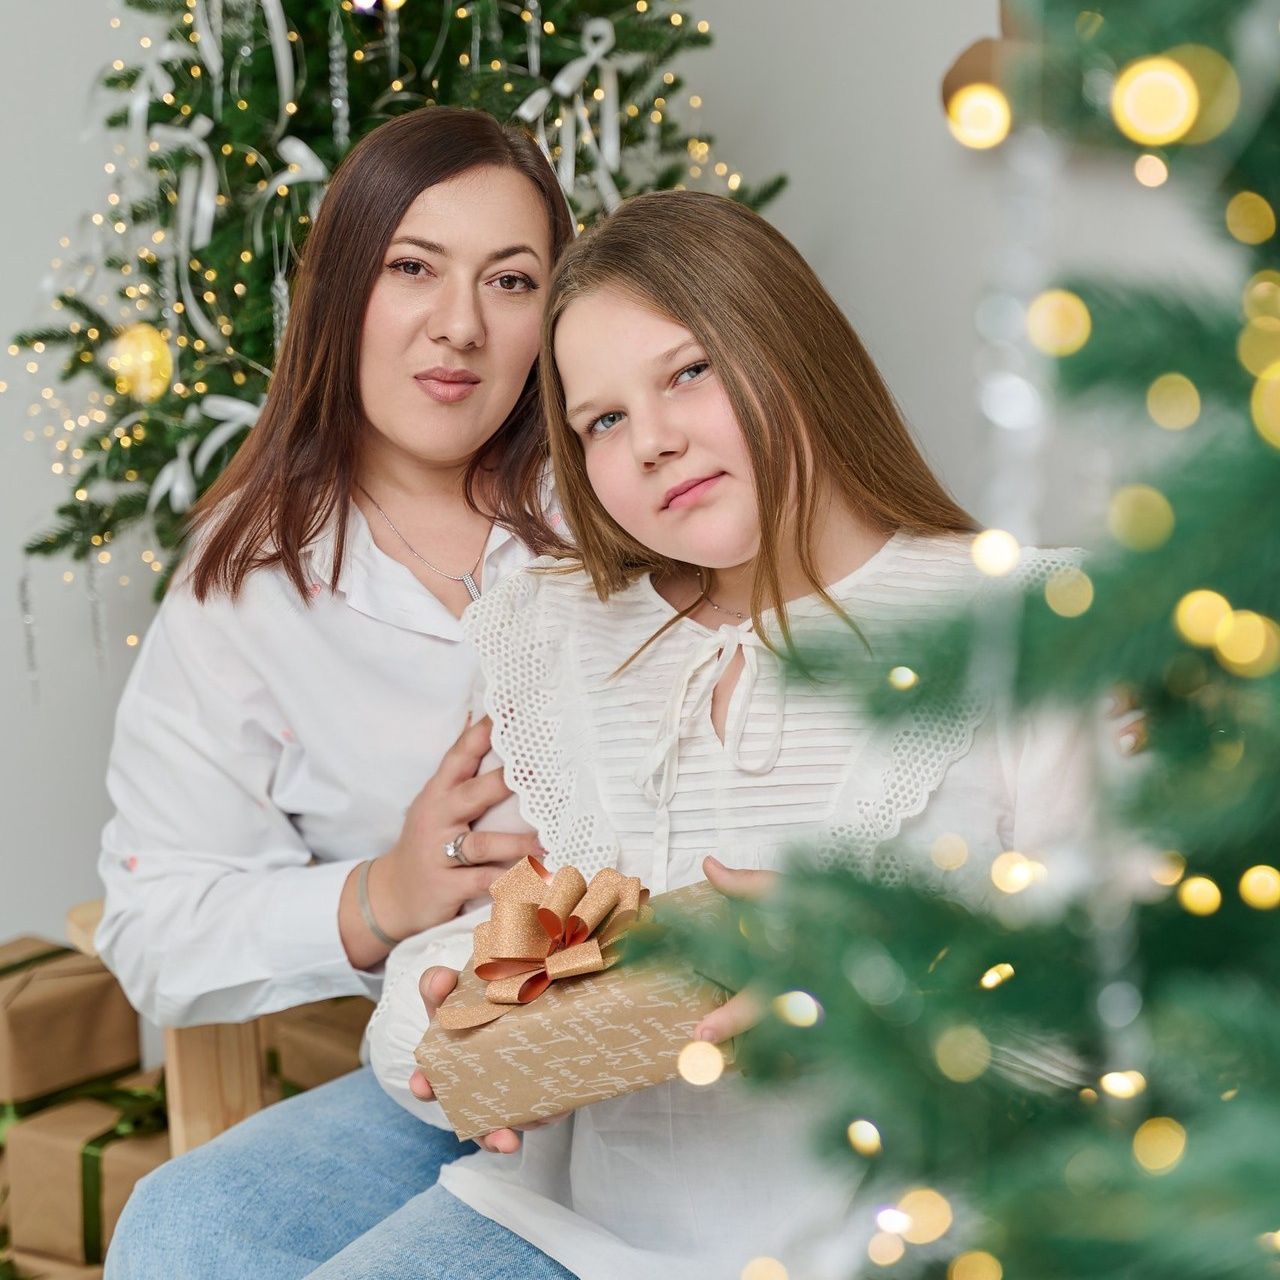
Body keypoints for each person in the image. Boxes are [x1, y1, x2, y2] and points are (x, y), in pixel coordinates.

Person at [355, 190, 1099, 1280]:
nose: (650, 441)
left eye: (688, 370)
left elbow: (1114, 1021)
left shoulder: (1019, 629)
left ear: (793, 348)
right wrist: (445, 1028)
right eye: (601, 419)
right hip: (574, 1232)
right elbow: (458, 936)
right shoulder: (554, 632)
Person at [100, 106, 575, 1280]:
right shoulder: (243, 590)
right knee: (178, 1235)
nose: (457, 325)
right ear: (338, 288)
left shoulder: (618, 489)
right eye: (411, 266)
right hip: (442, 1074)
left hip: (664, 1045)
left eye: (510, 281)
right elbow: (150, 923)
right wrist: (380, 894)